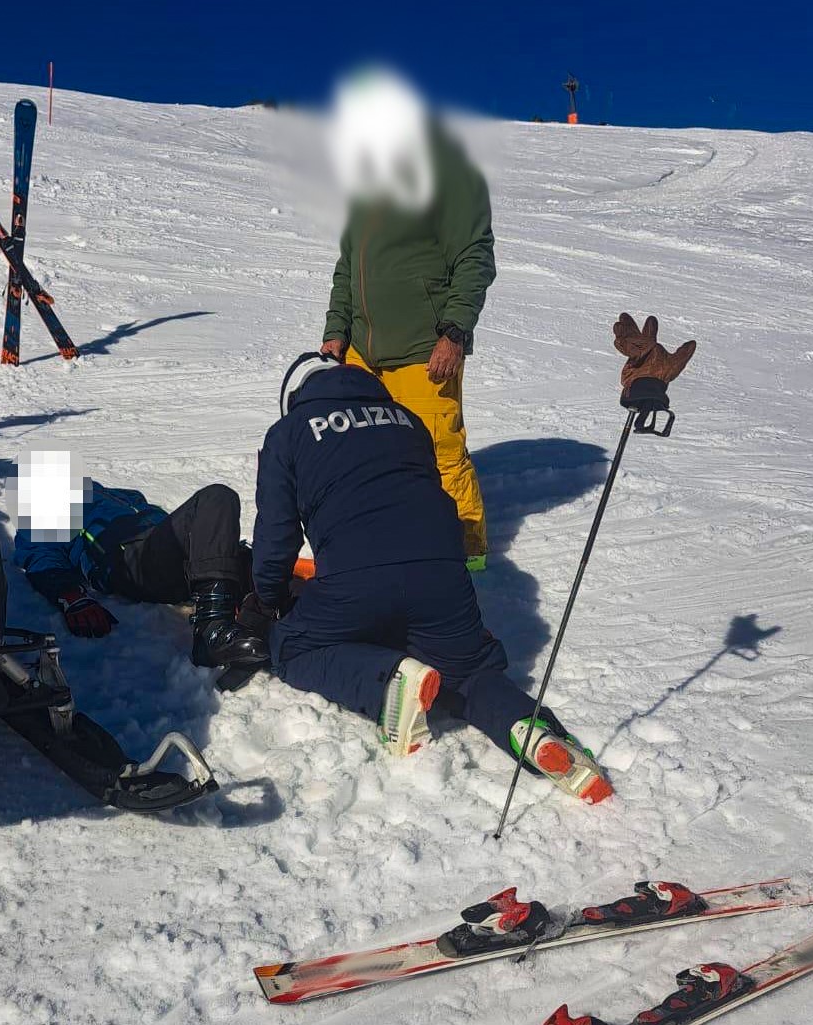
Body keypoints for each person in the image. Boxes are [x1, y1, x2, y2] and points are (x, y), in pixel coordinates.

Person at [244, 351, 612, 803]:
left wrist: (269, 597)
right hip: (442, 575)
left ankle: (390, 682)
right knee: (471, 673)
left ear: (296, 398)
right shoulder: (407, 420)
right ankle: (534, 732)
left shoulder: (289, 432)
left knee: (293, 647)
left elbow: (276, 532)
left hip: (357, 578)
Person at [319, 74, 496, 571]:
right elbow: (346, 268)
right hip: (360, 355)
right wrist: (337, 329)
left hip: (426, 348)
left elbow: (475, 256)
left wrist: (455, 331)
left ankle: (467, 561)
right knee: (359, 453)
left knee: (439, 453)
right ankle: (378, 543)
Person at [14, 479, 268, 670]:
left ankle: (293, 613)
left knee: (264, 564)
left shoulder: (117, 495)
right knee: (216, 496)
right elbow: (40, 558)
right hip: (128, 560)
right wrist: (71, 596)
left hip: (168, 551)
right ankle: (211, 631)